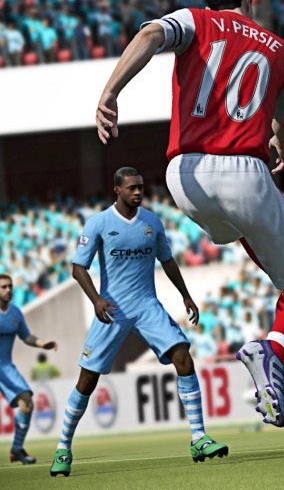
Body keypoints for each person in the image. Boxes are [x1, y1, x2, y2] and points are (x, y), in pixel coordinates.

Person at [93, 0, 284, 429]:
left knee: (245, 230)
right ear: (251, 0)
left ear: (210, 2)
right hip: (241, 169)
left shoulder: (195, 20)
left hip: (183, 177)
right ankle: (276, 347)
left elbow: (150, 34)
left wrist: (110, 91)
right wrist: (282, 143)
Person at [49, 167, 228, 477]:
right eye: (131, 187)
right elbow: (78, 268)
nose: (138, 192)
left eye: (141, 187)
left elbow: (167, 260)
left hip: (147, 305)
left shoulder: (152, 222)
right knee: (87, 380)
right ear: (117, 190)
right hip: (112, 308)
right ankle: (63, 447)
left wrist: (185, 295)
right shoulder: (99, 224)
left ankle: (199, 438)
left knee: (183, 357)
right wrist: (97, 300)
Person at [0, 273, 58, 465]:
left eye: (10, 286)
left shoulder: (15, 313)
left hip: (5, 367)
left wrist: (42, 344)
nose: (8, 290)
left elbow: (26, 336)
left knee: (27, 403)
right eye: (3, 287)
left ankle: (17, 449)